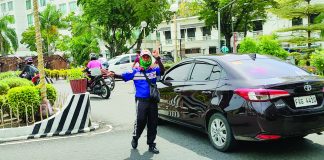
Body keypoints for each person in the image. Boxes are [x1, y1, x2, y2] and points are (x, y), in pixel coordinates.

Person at [109, 49, 165, 154]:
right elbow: (124, 76)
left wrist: (158, 59)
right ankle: (135, 137)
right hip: (141, 101)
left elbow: (162, 71)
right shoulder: (135, 71)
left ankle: (151, 144)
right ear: (141, 59)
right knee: (140, 120)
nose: (145, 58)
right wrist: (113, 74)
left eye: (147, 57)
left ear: (150, 58)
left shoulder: (154, 70)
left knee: (153, 123)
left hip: (152, 100)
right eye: (144, 57)